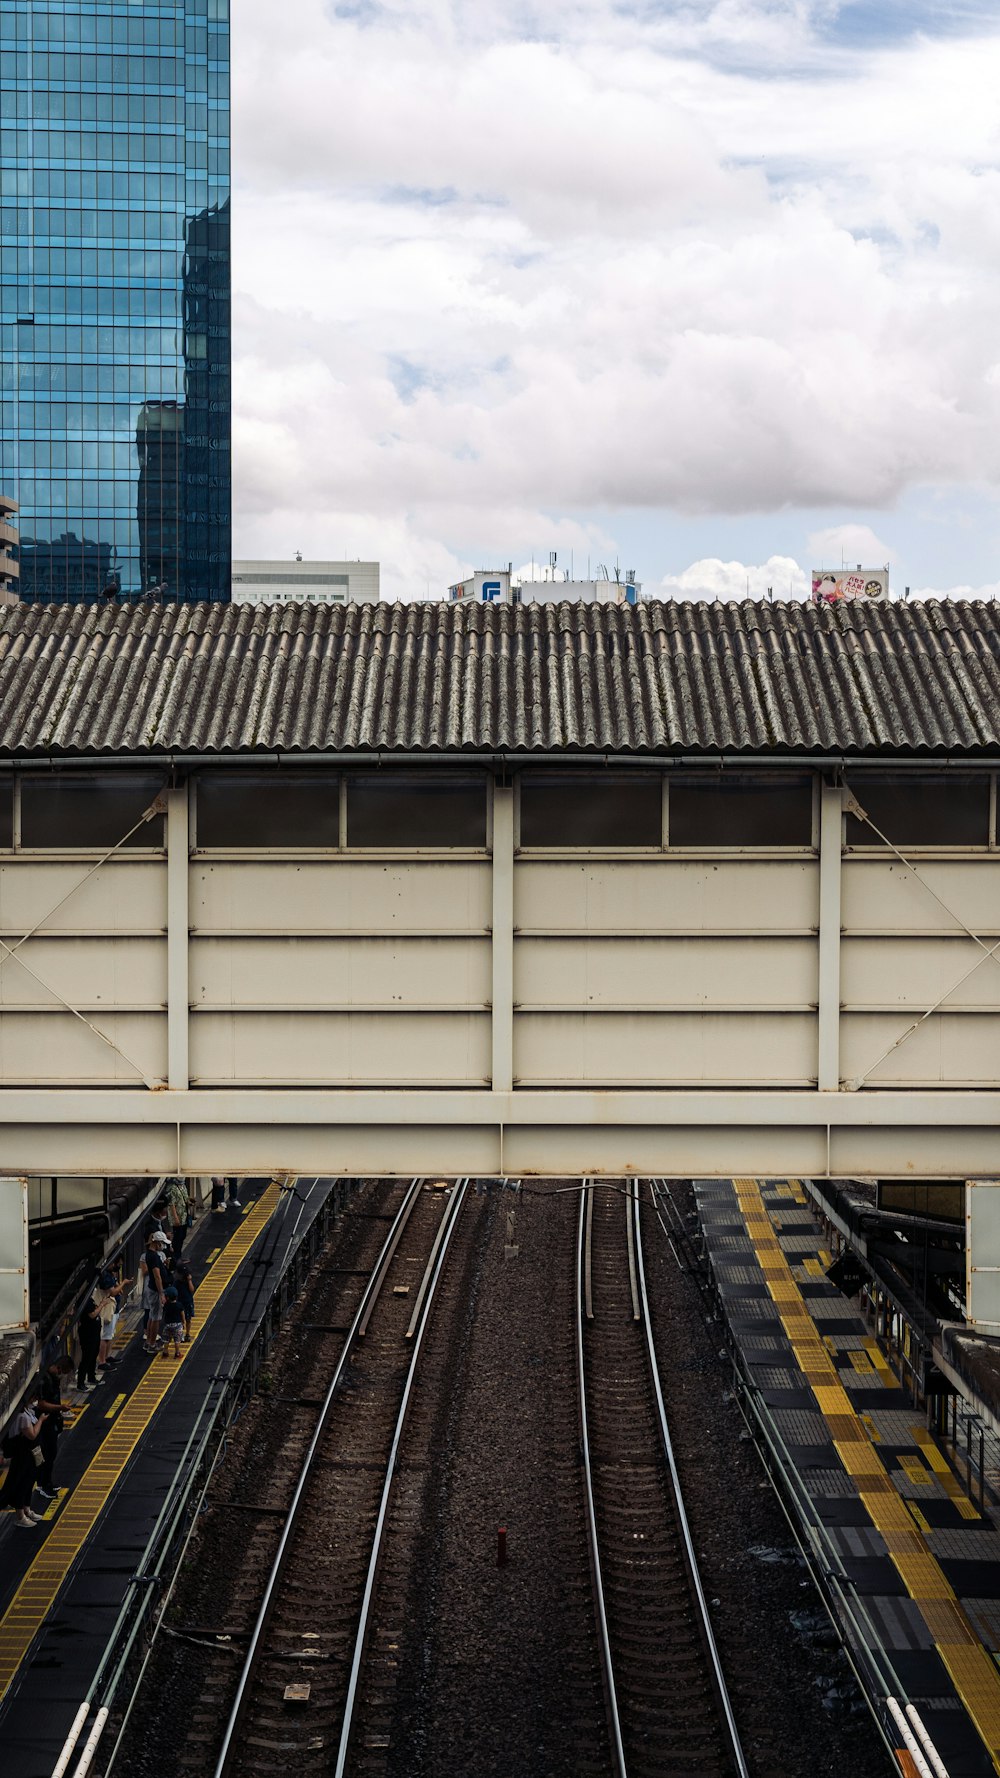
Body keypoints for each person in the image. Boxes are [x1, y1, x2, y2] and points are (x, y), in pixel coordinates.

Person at [1, 1388, 44, 1528]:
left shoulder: (27, 1411)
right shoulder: (22, 1417)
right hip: (23, 1455)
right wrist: (41, 1420)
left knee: (29, 1480)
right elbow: (32, 1435)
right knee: (21, 1483)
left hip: (30, 1454)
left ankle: (27, 1509)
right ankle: (20, 1516)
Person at [33, 1357, 73, 1500]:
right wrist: (60, 1408)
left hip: (53, 1421)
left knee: (51, 1454)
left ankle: (47, 1482)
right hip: (45, 1423)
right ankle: (43, 1485)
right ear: (59, 1368)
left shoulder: (53, 1378)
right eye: (64, 1372)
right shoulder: (44, 1379)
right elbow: (41, 1404)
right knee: (46, 1454)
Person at [139, 1232, 169, 1353]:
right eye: (162, 1243)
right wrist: (161, 1293)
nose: (163, 1246)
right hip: (155, 1291)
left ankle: (148, 1342)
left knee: (152, 1316)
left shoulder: (149, 1255)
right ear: (157, 1242)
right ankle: (152, 1344)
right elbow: (157, 1276)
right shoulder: (154, 1257)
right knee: (156, 1318)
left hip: (152, 1288)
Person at [97, 1267, 131, 1371]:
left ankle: (107, 1357)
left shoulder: (111, 1275)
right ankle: (102, 1361)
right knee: (105, 1336)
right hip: (108, 1310)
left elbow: (118, 1290)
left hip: (114, 1309)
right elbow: (114, 1292)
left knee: (110, 1336)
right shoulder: (106, 1276)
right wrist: (124, 1282)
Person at [76, 1288, 102, 1390]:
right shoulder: (85, 1300)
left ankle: (91, 1377)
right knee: (87, 1357)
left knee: (94, 1354)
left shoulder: (89, 1299)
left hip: (94, 1332)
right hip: (88, 1334)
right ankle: (80, 1383)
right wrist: (102, 1305)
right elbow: (92, 1315)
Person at [165, 1177, 194, 1257]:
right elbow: (172, 1204)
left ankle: (179, 1255)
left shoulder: (183, 1185)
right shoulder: (172, 1188)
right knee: (177, 1238)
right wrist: (175, 1218)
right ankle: (175, 1257)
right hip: (178, 1217)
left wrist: (189, 1202)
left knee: (182, 1236)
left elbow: (185, 1197)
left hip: (184, 1216)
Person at [171, 1254, 196, 1341]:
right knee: (180, 1320)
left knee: (188, 1318)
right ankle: (180, 1334)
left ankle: (187, 1334)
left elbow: (192, 1289)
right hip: (180, 1303)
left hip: (188, 1301)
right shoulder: (177, 1282)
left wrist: (189, 1281)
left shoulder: (187, 1281)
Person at [160, 1286, 184, 1360]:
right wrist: (184, 1322)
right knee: (177, 1341)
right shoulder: (179, 1305)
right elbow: (182, 1314)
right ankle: (177, 1353)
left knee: (166, 1340)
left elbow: (163, 1312)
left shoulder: (166, 1305)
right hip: (177, 1325)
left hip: (167, 1325)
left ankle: (165, 1353)